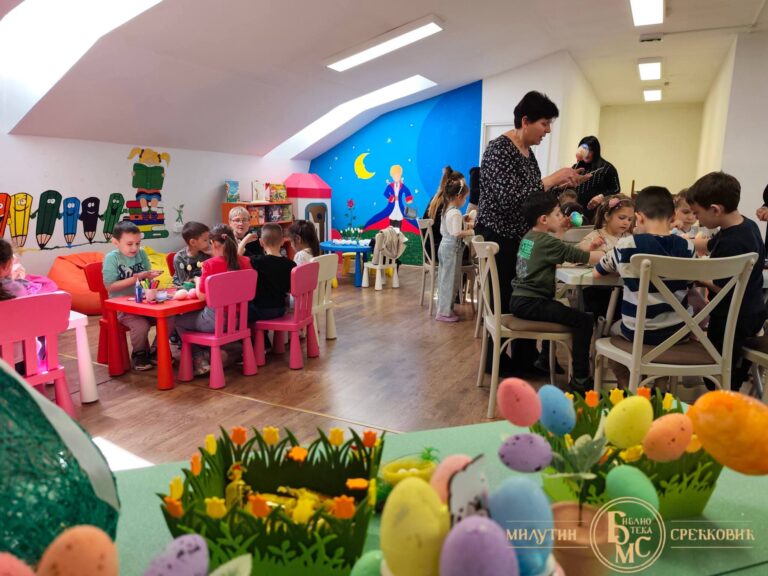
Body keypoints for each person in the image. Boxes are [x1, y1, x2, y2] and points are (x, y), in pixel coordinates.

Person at [475, 90, 589, 374]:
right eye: (544, 123)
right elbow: (510, 200)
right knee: (508, 301)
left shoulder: (528, 154)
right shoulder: (499, 150)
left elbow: (533, 200)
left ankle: (525, 361)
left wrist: (560, 184)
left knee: (528, 297)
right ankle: (497, 362)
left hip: (519, 237)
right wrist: (551, 179)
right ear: (525, 121)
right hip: (499, 236)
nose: (547, 130)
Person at [594, 187, 695, 388]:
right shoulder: (688, 247)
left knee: (610, 331)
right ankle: (660, 384)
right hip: (678, 332)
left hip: (638, 332)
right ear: (673, 217)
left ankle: (627, 386)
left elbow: (598, 273)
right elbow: (690, 283)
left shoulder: (627, 245)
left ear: (639, 218)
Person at [509, 192, 604, 392]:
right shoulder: (546, 242)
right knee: (584, 320)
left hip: (521, 299)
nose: (563, 217)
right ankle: (580, 379)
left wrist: (560, 231)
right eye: (558, 214)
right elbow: (578, 255)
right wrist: (609, 255)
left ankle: (545, 358)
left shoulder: (531, 237)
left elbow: (557, 253)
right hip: (533, 302)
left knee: (558, 308)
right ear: (544, 219)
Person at [689, 172, 767, 392]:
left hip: (734, 315)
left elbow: (723, 287)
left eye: (697, 213)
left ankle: (725, 398)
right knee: (727, 365)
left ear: (715, 210)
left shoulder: (732, 242)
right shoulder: (746, 226)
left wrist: (697, 276)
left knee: (719, 370)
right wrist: (682, 241)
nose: (697, 219)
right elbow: (708, 244)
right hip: (752, 310)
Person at [174, 224, 251, 376]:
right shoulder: (245, 261)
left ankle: (199, 357)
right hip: (238, 320)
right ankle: (222, 351)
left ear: (214, 244)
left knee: (178, 320)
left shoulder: (210, 264)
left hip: (213, 321)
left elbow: (202, 296)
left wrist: (197, 281)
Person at [102, 221, 165, 371]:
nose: (135, 248)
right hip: (122, 308)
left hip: (143, 303)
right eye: (129, 244)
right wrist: (137, 277)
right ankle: (139, 354)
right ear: (115, 242)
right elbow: (110, 286)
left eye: (138, 243)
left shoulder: (141, 253)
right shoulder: (112, 258)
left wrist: (150, 276)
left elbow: (147, 277)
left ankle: (156, 351)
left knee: (171, 317)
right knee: (141, 325)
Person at [578, 194, 634, 320]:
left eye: (630, 219)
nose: (626, 222)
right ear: (607, 216)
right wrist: (591, 247)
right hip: (596, 288)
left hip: (622, 289)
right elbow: (581, 250)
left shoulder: (630, 238)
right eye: (622, 218)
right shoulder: (596, 235)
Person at [435, 170, 474, 322]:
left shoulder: (447, 209)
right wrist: (472, 231)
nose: (465, 201)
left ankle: (444, 309)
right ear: (458, 197)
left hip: (444, 247)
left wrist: (462, 219)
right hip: (452, 249)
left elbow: (450, 227)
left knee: (445, 279)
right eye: (465, 198)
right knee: (451, 280)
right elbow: (456, 233)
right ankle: (445, 313)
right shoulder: (455, 213)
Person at [249, 223, 297, 323]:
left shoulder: (257, 261)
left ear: (261, 242)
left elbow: (237, 255)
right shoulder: (291, 264)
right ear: (283, 241)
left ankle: (257, 333)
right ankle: (264, 333)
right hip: (281, 309)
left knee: (242, 310)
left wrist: (245, 240)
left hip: (260, 310)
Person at [571, 136, 621, 220]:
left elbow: (616, 189)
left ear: (596, 151)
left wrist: (601, 197)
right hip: (575, 214)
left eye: (590, 150)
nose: (587, 154)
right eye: (583, 150)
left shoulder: (608, 168)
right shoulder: (576, 167)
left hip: (596, 214)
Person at [172, 221, 211, 287]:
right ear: (193, 242)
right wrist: (198, 281)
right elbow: (185, 283)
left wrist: (212, 253)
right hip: (185, 287)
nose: (209, 242)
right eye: (205, 240)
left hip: (201, 284)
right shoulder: (179, 258)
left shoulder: (206, 252)